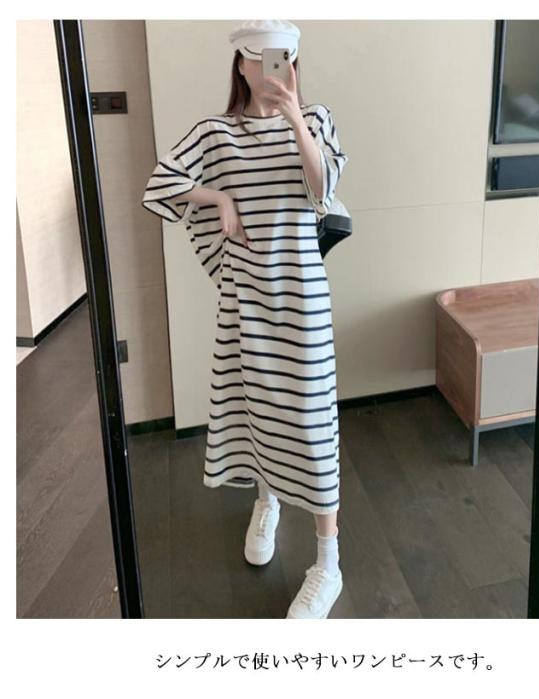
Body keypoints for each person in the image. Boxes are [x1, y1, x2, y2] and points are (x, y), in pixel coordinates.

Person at [141, 20, 349, 619]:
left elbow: (322, 187)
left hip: (303, 300)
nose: (270, 70)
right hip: (245, 301)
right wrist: (218, 198)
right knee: (258, 408)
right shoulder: (215, 134)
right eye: (259, 59)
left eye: (282, 58)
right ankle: (268, 500)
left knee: (313, 424)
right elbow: (159, 185)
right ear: (239, 63)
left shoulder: (317, 120)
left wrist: (296, 119)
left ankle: (328, 563)